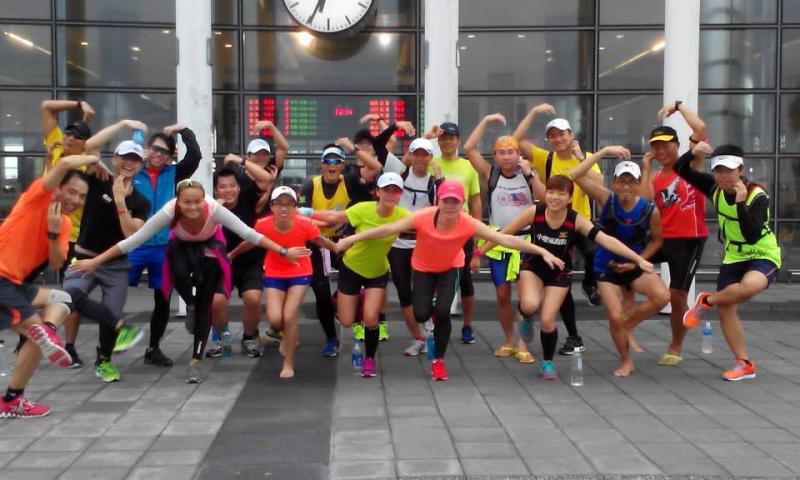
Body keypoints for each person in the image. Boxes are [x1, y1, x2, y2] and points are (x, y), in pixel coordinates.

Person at [70, 179, 310, 384]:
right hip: (181, 246)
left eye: (197, 202)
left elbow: (249, 233)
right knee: (179, 270)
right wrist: (96, 261)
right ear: (178, 202)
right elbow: (135, 240)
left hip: (210, 246)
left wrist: (283, 251)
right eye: (187, 202)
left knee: (207, 300)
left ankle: (196, 360)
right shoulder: (170, 210)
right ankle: (191, 305)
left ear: (204, 200)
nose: (193, 207)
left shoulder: (213, 209)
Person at [335, 180, 565, 381]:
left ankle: (438, 361)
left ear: (462, 204)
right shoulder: (423, 217)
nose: (450, 206)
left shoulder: (468, 222)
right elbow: (386, 230)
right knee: (421, 314)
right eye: (446, 201)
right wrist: (351, 239)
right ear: (438, 201)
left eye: (455, 202)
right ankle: (432, 314)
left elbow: (505, 239)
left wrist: (542, 251)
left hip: (451, 268)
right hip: (423, 268)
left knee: (443, 312)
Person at [482, 175, 655, 381]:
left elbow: (607, 240)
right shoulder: (534, 212)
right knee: (529, 305)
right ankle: (525, 315)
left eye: (560, 193)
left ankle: (547, 362)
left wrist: (638, 259)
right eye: (551, 192)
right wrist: (478, 253)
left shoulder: (575, 220)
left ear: (570, 198)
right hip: (533, 267)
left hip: (559, 272)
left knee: (547, 320)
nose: (554, 197)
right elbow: (504, 234)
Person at [0, 153, 99, 417]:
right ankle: (13, 399)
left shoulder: (63, 223)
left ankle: (13, 399)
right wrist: (94, 158)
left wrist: (53, 233)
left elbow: (56, 263)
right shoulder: (37, 197)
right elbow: (65, 163)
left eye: (82, 197)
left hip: (13, 284)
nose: (75, 200)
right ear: (58, 188)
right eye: (72, 192)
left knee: (61, 300)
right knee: (38, 335)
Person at [678, 143, 780, 381]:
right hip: (733, 254)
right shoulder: (714, 188)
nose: (723, 176)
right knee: (727, 308)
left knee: (749, 286)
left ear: (740, 170)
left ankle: (707, 300)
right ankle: (744, 363)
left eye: (729, 170)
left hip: (762, 253)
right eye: (719, 170)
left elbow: (751, 235)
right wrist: (694, 152)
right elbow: (680, 168)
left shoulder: (757, 196)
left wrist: (741, 203)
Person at [569, 147, 670, 376]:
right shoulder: (607, 199)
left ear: (638, 184)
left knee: (662, 297)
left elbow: (657, 241)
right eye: (621, 181)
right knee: (614, 316)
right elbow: (574, 175)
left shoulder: (649, 210)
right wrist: (603, 152)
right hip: (606, 266)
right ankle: (626, 360)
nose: (626, 187)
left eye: (631, 182)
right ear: (614, 183)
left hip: (633, 263)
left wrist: (637, 262)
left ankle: (629, 324)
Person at [512, 103, 600, 355]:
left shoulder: (586, 157)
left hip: (579, 222)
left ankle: (590, 285)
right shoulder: (545, 157)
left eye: (562, 134)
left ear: (571, 135)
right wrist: (533, 112)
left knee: (594, 252)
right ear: (548, 140)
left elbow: (599, 184)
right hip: (552, 226)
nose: (558, 139)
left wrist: (582, 159)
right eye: (553, 135)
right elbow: (516, 140)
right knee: (562, 284)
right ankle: (573, 337)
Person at [61, 139, 151, 382]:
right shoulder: (98, 179)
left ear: (140, 165)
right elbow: (90, 144)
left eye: (135, 160)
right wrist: (124, 122)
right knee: (68, 297)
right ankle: (65, 345)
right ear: (115, 159)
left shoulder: (141, 202)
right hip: (84, 259)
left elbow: (130, 234)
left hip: (116, 265)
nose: (129, 163)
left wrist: (120, 201)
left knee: (111, 312)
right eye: (125, 157)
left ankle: (104, 360)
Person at [303, 173, 411, 377]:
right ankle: (358, 299)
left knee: (371, 318)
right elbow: (334, 217)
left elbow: (429, 223)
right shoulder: (363, 209)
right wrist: (307, 213)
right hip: (351, 268)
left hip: (377, 272)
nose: (390, 194)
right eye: (386, 190)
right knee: (346, 321)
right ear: (377, 192)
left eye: (395, 191)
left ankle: (369, 360)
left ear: (400, 194)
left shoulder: (404, 216)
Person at [464, 113, 545, 364]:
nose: (507, 156)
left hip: (525, 242)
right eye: (502, 152)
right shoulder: (491, 174)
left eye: (511, 152)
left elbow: (546, 199)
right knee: (502, 295)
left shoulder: (528, 174)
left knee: (525, 296)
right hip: (498, 242)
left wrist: (530, 174)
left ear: (518, 153)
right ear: (495, 156)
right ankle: (509, 340)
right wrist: (486, 120)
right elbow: (468, 149)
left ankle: (523, 344)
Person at [240, 186, 336, 378]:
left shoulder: (305, 223)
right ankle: (288, 336)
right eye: (279, 204)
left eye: (289, 204)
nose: (284, 208)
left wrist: (341, 247)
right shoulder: (263, 224)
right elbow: (251, 241)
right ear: (272, 206)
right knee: (276, 318)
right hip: (274, 272)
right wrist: (232, 255)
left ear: (295, 207)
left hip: (300, 271)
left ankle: (288, 363)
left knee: (290, 315)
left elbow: (320, 240)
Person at [127, 123, 202, 367]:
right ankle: (105, 350)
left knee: (162, 299)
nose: (158, 154)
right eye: (155, 149)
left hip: (162, 248)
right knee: (115, 291)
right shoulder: (133, 171)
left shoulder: (173, 174)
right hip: (135, 244)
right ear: (147, 149)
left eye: (164, 152)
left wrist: (182, 130)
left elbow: (195, 156)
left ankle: (153, 349)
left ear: (170, 156)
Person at [640, 102, 708, 366]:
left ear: (677, 145)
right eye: (655, 147)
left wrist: (678, 106)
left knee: (677, 295)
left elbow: (699, 128)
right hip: (662, 239)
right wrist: (646, 168)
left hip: (689, 239)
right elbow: (645, 201)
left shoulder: (690, 166)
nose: (660, 151)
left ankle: (675, 346)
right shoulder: (656, 176)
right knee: (627, 264)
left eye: (665, 145)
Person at [298, 144, 381, 357]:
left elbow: (375, 167)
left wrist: (354, 148)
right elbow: (300, 217)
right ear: (322, 165)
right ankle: (331, 338)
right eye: (328, 161)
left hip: (343, 242)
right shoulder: (310, 186)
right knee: (321, 293)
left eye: (336, 161)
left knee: (358, 282)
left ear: (343, 165)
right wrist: (323, 226)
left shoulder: (350, 181)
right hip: (318, 242)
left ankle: (356, 317)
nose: (332, 166)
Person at [208, 156, 276, 358]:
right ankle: (223, 338)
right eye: (222, 187)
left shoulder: (248, 198)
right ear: (215, 190)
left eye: (232, 186)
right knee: (216, 302)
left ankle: (249, 338)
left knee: (253, 298)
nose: (228, 190)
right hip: (221, 264)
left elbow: (266, 179)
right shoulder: (210, 207)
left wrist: (240, 160)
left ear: (239, 188)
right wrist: (214, 214)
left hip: (249, 261)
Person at [425, 121, 481, 344]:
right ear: (438, 141)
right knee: (435, 278)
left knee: (465, 281)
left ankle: (467, 325)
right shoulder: (430, 163)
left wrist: (477, 238)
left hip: (462, 231)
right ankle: (435, 322)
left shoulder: (468, 167)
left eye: (451, 138)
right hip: (436, 231)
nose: (447, 142)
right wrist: (427, 136)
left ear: (458, 140)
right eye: (443, 138)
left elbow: (476, 202)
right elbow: (407, 163)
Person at [388, 137, 443, 356]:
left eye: (425, 155)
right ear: (409, 156)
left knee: (424, 291)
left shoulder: (435, 182)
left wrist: (439, 178)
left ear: (430, 157)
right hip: (398, 243)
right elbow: (379, 149)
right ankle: (417, 338)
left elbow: (442, 209)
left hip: (423, 243)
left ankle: (430, 331)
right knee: (403, 292)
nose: (420, 159)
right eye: (416, 154)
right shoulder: (400, 175)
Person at [40, 98, 96, 281]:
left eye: (77, 136)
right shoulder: (56, 147)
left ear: (85, 144)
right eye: (68, 133)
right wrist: (79, 104)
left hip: (70, 233)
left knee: (70, 281)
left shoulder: (86, 163)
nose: (70, 138)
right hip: (41, 226)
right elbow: (47, 107)